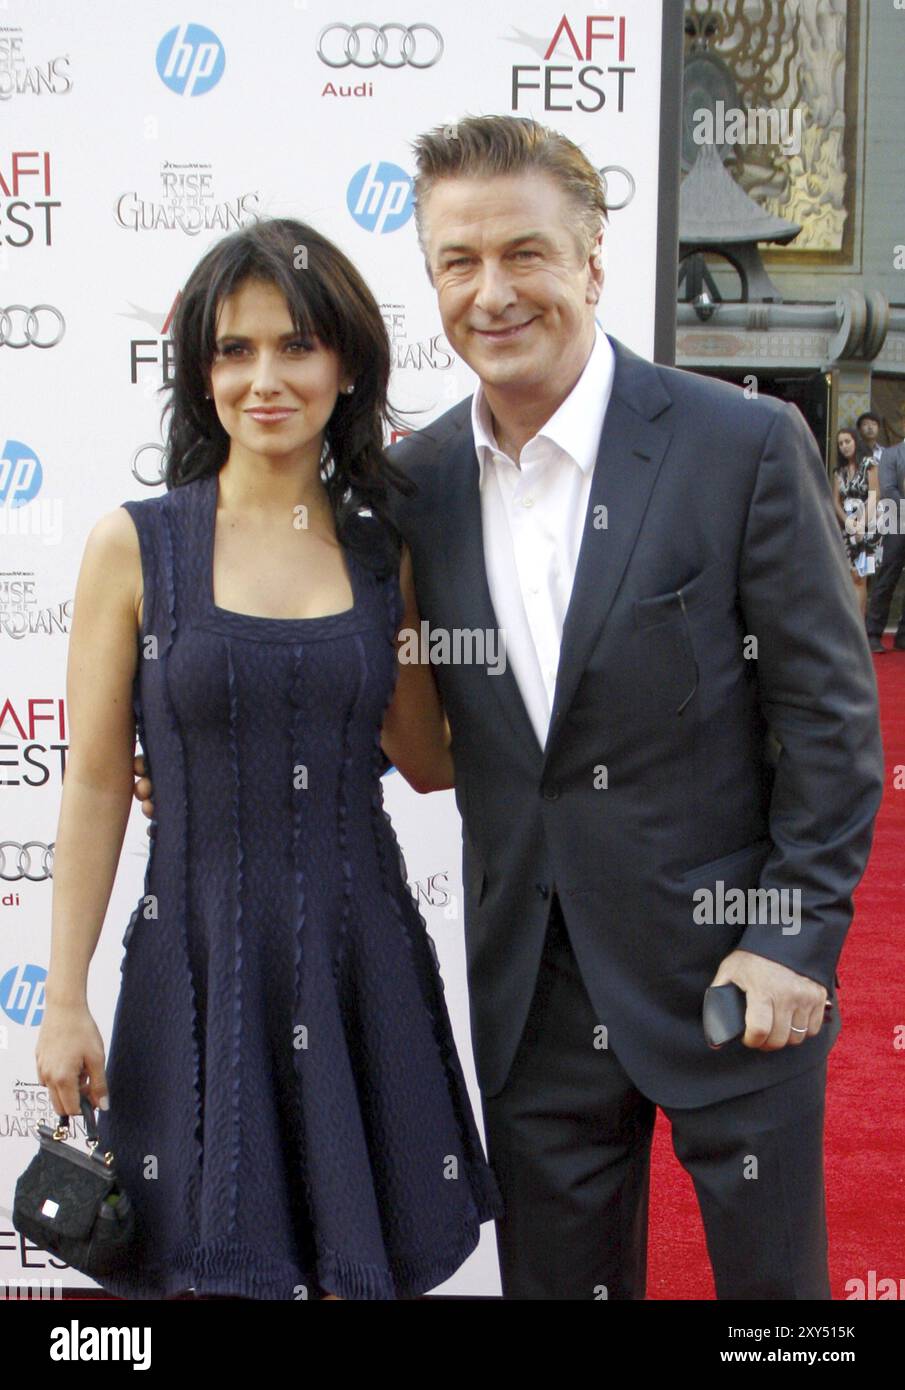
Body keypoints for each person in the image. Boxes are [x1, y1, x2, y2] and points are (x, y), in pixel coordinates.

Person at [135, 116, 884, 1300]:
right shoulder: (409, 487)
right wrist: (191, 759)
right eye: (457, 262)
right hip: (532, 986)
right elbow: (383, 714)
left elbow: (834, 727)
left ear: (591, 260)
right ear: (430, 277)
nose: (492, 292)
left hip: (732, 962)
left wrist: (788, 936)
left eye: (524, 254)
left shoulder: (736, 446)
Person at [35, 216, 502, 1302]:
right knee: (203, 1261)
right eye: (234, 350)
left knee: (353, 1262)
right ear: (200, 372)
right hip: (191, 958)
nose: (265, 378)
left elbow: (428, 760)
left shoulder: (385, 547)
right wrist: (64, 996)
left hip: (356, 955)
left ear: (345, 365)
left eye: (295, 346)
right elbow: (99, 778)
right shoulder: (134, 544)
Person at [832, 427, 882, 617]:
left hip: (867, 526)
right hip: (847, 529)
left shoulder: (869, 463)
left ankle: (859, 628)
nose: (844, 446)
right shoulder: (840, 472)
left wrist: (861, 524)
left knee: (859, 577)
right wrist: (847, 522)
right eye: (841, 443)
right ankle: (853, 625)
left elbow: (875, 494)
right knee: (849, 577)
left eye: (848, 441)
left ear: (856, 441)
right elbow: (834, 501)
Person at [865, 435, 905, 653]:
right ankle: (872, 632)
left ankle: (903, 636)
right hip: (898, 524)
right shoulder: (891, 455)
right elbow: (889, 490)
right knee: (888, 577)